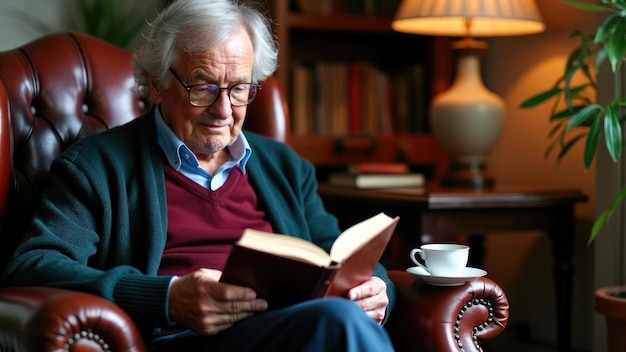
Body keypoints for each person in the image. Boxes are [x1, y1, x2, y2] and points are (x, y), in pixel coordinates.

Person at [2, 0, 396, 351]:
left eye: (239, 88)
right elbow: (34, 265)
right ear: (157, 84)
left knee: (340, 318)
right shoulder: (95, 166)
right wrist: (168, 298)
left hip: (292, 330)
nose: (224, 110)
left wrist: (376, 288)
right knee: (337, 323)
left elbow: (336, 253)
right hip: (183, 338)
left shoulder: (284, 166)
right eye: (204, 88)